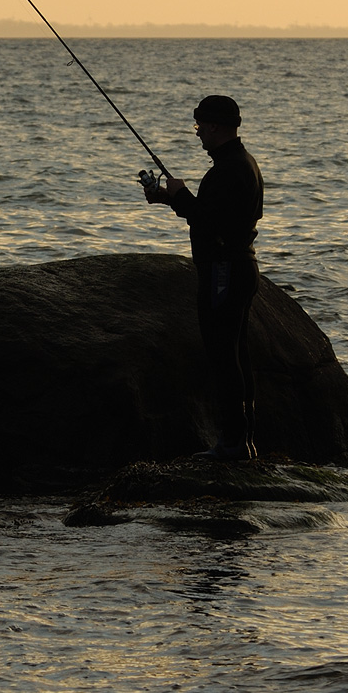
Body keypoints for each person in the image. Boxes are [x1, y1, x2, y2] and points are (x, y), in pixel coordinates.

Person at [144, 95, 264, 461]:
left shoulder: (228, 170)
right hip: (238, 267)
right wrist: (169, 199)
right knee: (237, 355)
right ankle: (243, 440)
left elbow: (211, 223)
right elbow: (215, 216)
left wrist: (180, 196)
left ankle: (233, 444)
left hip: (224, 272)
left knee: (224, 358)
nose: (197, 134)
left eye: (199, 127)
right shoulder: (243, 164)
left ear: (214, 126)